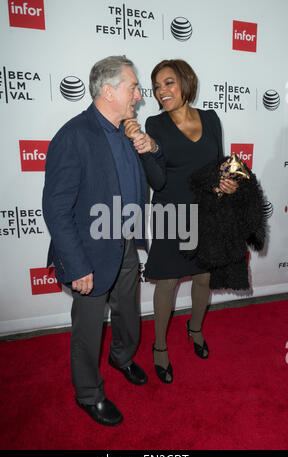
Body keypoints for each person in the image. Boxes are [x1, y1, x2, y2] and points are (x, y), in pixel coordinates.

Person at [42, 55, 148, 426]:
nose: (138, 94)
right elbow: (56, 208)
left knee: (128, 314)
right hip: (88, 254)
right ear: (108, 90)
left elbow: (141, 180)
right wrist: (77, 264)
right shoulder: (74, 135)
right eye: (133, 86)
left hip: (125, 246)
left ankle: (122, 358)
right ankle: (88, 394)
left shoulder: (125, 132)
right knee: (87, 329)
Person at [124, 59, 238, 384]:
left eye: (169, 83)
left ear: (186, 82)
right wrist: (145, 151)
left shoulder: (212, 119)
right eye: (157, 86)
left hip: (206, 212)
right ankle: (159, 347)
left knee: (204, 278)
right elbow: (158, 182)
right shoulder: (155, 124)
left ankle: (195, 329)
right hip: (171, 213)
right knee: (169, 282)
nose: (162, 91)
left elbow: (219, 163)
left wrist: (227, 182)